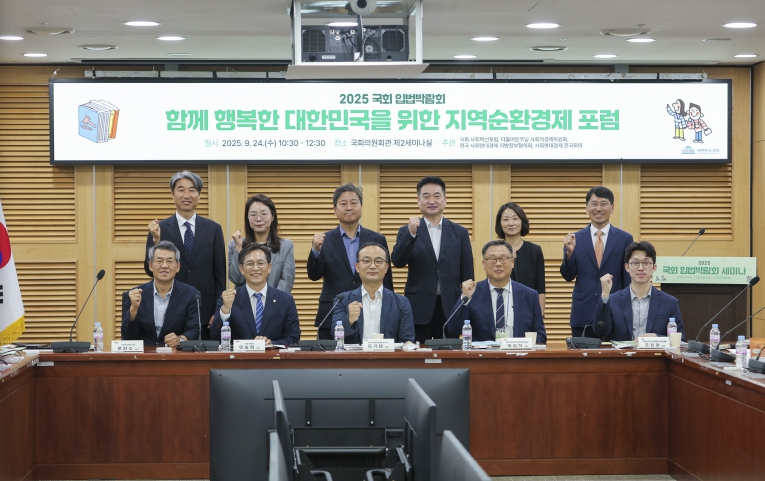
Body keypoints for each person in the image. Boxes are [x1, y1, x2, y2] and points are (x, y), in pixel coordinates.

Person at [144, 171, 225, 340]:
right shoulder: (159, 228)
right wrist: (156, 241)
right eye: (181, 190)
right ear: (172, 195)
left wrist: (217, 311)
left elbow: (220, 275)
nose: (186, 195)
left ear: (199, 195)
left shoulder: (213, 228)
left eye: (192, 190)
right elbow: (149, 269)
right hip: (172, 309)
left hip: (205, 309)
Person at [392, 176, 474, 342]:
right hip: (418, 306)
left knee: (449, 353)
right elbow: (398, 261)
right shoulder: (407, 231)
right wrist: (411, 234)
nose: (431, 201)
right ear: (418, 200)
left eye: (437, 196)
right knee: (417, 354)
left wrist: (466, 304)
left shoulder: (460, 232)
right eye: (426, 196)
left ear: (445, 200)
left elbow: (468, 274)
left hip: (450, 306)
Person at [307, 183, 393, 340]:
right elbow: (313, 275)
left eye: (354, 203)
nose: (349, 207)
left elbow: (386, 279)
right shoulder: (324, 240)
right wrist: (315, 251)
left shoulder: (377, 239)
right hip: (333, 312)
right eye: (343, 203)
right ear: (334, 209)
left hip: (370, 312)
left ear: (361, 207)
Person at [560, 186, 634, 337]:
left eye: (604, 203)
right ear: (586, 208)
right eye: (594, 204)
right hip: (583, 314)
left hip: (614, 312)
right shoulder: (575, 238)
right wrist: (569, 253)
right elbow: (568, 276)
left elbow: (627, 279)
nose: (598, 208)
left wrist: (626, 311)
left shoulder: (625, 238)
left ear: (612, 208)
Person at [445, 240, 546, 343]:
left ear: (512, 262)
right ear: (484, 264)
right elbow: (453, 329)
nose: (498, 264)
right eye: (492, 259)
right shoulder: (473, 293)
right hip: (483, 353)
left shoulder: (529, 295)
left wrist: (525, 346)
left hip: (518, 352)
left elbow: (541, 336)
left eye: (503, 258)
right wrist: (465, 298)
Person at [211, 243, 300, 346]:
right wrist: (225, 311)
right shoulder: (229, 299)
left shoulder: (285, 300)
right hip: (239, 356)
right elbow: (215, 337)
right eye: (250, 264)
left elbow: (293, 338)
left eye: (260, 263)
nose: (255, 268)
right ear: (241, 269)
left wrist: (272, 344)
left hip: (273, 355)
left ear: (269, 267)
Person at [593, 241, 684, 341]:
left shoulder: (669, 302)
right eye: (635, 263)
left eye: (646, 263)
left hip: (656, 351)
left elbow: (680, 340)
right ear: (627, 267)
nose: (640, 268)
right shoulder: (613, 300)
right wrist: (605, 295)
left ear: (654, 267)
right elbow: (600, 331)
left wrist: (657, 337)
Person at [332, 242, 415, 344]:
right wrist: (349, 320)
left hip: (388, 354)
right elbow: (334, 335)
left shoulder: (401, 302)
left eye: (378, 261)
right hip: (355, 355)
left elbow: (407, 340)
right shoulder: (342, 300)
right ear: (357, 267)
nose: (372, 266)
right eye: (366, 261)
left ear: (386, 268)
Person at [122, 241, 200, 346]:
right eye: (159, 261)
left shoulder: (191, 295)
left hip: (174, 353)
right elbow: (127, 336)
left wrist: (180, 340)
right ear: (150, 266)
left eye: (169, 261)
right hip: (144, 353)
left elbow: (194, 330)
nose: (164, 265)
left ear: (178, 267)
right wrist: (133, 309)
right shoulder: (136, 294)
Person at [228, 194, 295, 292]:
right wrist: (238, 248)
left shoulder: (286, 246)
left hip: (275, 300)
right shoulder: (235, 245)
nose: (258, 219)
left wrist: (272, 300)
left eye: (263, 214)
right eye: (253, 215)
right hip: (245, 300)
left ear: (272, 217)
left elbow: (287, 281)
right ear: (247, 218)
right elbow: (235, 279)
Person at [495, 202, 545, 313]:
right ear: (500, 224)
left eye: (515, 219)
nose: (511, 223)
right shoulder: (495, 251)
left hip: (528, 310)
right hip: (501, 310)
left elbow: (540, 288)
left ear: (522, 221)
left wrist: (540, 315)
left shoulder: (534, 250)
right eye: (506, 219)